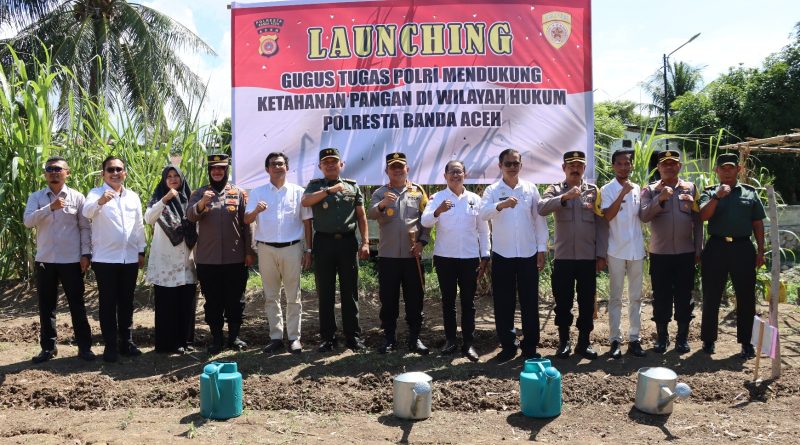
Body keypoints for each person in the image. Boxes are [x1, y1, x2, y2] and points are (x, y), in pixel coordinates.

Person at [23, 156, 95, 363]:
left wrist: (85, 254)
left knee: (77, 304)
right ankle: (48, 348)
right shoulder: (36, 197)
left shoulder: (77, 197)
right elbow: (28, 221)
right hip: (45, 259)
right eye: (50, 169)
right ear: (45, 174)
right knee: (47, 306)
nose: (54, 172)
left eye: (58, 169)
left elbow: (84, 227)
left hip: (71, 260)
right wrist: (49, 208)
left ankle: (84, 347)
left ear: (67, 173)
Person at [538, 151, 608, 360]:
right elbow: (541, 208)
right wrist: (564, 198)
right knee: (563, 302)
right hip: (564, 258)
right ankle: (564, 341)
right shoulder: (555, 189)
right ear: (564, 168)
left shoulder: (593, 191)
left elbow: (602, 224)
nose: (575, 168)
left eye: (579, 165)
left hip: (587, 258)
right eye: (571, 165)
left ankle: (584, 342)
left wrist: (601, 253)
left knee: (587, 302)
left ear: (584, 168)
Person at [479, 149, 548, 362]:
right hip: (502, 254)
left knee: (529, 301)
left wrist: (541, 249)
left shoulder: (530, 188)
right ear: (500, 166)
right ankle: (508, 346)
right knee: (503, 302)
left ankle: (530, 346)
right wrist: (501, 205)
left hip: (528, 253)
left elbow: (539, 220)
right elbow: (482, 214)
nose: (511, 167)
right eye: (507, 163)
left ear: (520, 165)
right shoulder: (492, 190)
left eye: (515, 163)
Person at [302, 148, 370, 353]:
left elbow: (361, 216)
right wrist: (329, 191)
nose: (330, 165)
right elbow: (305, 202)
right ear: (320, 167)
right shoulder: (315, 186)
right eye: (326, 162)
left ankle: (353, 337)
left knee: (350, 292)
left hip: (347, 244)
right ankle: (328, 338)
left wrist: (365, 242)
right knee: (326, 292)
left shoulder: (352, 186)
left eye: (334, 162)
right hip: (324, 243)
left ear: (341, 164)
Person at [698, 152, 766, 360]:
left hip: (743, 248)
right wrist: (718, 196)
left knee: (745, 296)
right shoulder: (710, 192)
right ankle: (708, 340)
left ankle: (746, 342)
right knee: (711, 295)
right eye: (722, 168)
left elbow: (758, 223)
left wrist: (761, 251)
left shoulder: (750, 193)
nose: (727, 171)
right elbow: (702, 216)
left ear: (739, 169)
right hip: (716, 247)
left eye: (731, 167)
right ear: (716, 171)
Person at [421, 160, 490, 362]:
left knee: (468, 303)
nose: (455, 175)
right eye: (452, 172)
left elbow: (484, 230)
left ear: (465, 174)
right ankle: (450, 341)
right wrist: (438, 211)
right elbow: (425, 221)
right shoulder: (437, 198)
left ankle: (468, 344)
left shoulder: (475, 199)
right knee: (448, 301)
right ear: (445, 176)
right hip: (445, 258)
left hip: (469, 258)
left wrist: (485, 254)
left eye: (459, 172)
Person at [245, 152, 312, 354]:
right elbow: (247, 220)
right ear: (267, 169)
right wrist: (256, 210)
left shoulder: (299, 192)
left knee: (294, 295)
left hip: (292, 248)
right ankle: (275, 337)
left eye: (281, 164)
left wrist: (308, 249)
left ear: (287, 168)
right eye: (273, 164)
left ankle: (294, 338)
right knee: (271, 296)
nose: (277, 167)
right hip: (266, 248)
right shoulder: (257, 192)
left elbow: (307, 222)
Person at [187, 154, 256, 354]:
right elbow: (190, 216)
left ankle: (234, 337)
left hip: (235, 257)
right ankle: (216, 338)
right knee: (213, 301)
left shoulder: (239, 193)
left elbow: (247, 225)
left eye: (221, 169)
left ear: (226, 170)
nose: (217, 172)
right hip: (208, 260)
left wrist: (249, 251)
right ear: (209, 171)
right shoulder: (199, 193)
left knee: (235, 300)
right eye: (213, 169)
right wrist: (201, 204)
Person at [83, 156, 146, 363]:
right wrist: (101, 201)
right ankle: (110, 346)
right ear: (103, 174)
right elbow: (87, 212)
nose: (115, 172)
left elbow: (138, 226)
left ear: (124, 173)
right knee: (108, 304)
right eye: (111, 169)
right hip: (105, 260)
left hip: (129, 259)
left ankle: (126, 343)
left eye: (119, 169)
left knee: (126, 303)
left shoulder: (133, 197)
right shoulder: (95, 193)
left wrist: (141, 250)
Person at [639, 150, 703, 353]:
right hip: (660, 254)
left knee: (685, 297)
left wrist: (698, 247)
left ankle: (682, 339)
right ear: (659, 168)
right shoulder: (649, 190)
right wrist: (660, 199)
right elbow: (644, 215)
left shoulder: (691, 188)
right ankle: (662, 338)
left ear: (679, 167)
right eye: (664, 164)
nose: (668, 167)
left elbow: (698, 220)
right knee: (661, 297)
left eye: (672, 163)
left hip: (685, 253)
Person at [368, 152, 431, 355]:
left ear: (407, 169)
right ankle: (389, 339)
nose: (397, 170)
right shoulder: (380, 193)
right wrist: (383, 204)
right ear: (387, 171)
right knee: (388, 300)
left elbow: (427, 220)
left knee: (415, 299)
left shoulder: (418, 192)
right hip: (388, 257)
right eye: (393, 167)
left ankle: (415, 339)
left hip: (413, 256)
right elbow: (370, 214)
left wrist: (422, 242)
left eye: (400, 166)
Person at [144, 165, 198, 354]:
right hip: (165, 261)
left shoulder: (190, 199)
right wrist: (165, 200)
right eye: (169, 176)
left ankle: (186, 343)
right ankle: (166, 344)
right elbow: (149, 218)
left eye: (176, 176)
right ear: (164, 180)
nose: (173, 179)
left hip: (187, 261)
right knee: (166, 305)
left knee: (186, 304)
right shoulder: (159, 199)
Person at [600, 150, 647, 359]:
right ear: (613, 166)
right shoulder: (607, 189)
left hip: (637, 249)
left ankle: (635, 339)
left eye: (627, 163)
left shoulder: (638, 188)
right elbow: (608, 216)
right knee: (616, 297)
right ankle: (614, 340)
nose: (624, 167)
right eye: (619, 164)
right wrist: (622, 194)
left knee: (636, 297)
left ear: (631, 166)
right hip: (616, 250)